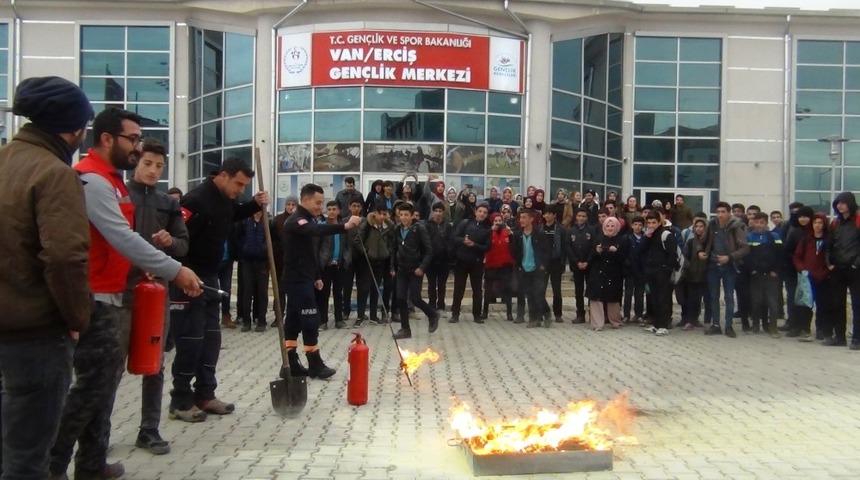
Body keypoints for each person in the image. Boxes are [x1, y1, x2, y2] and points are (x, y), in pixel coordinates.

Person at [50, 108, 203, 480]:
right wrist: (176, 270)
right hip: (96, 300)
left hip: (115, 295)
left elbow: (119, 243)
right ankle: (51, 465)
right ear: (106, 139)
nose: (136, 146)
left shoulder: (111, 180)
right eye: (132, 139)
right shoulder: (91, 181)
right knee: (90, 390)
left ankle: (91, 463)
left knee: (102, 390)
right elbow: (121, 237)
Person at [0, 76, 92, 480]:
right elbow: (64, 258)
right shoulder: (54, 174)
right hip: (34, 334)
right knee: (26, 458)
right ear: (73, 128)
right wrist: (77, 319)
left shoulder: (4, 160)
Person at [168, 158, 267, 421]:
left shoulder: (226, 199)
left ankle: (205, 395)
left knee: (211, 339)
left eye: (245, 186)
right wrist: (181, 273)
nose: (241, 190)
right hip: (187, 277)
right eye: (238, 184)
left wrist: (255, 205)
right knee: (191, 339)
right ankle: (180, 401)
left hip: (211, 277)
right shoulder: (194, 200)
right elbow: (176, 238)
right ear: (223, 175)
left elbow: (233, 214)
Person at [125, 139, 189, 455]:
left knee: (155, 360)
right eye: (147, 163)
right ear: (136, 162)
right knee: (107, 365)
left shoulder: (168, 204)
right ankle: (96, 433)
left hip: (157, 293)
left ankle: (149, 429)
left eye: (159, 166)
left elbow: (183, 245)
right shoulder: (117, 194)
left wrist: (170, 242)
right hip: (119, 291)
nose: (153, 170)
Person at [282, 184, 361, 378]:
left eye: (322, 203)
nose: (320, 207)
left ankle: (290, 363)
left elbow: (310, 253)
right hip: (296, 280)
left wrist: (316, 276)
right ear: (306, 199)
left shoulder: (308, 219)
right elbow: (316, 231)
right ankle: (314, 363)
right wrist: (345, 226)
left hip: (305, 278)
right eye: (318, 203)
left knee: (292, 321)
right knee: (310, 320)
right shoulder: (296, 221)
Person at [391, 202, 439, 339]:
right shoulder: (397, 229)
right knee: (400, 298)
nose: (404, 217)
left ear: (412, 216)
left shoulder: (419, 229)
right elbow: (393, 249)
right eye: (401, 215)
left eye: (407, 215)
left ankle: (432, 314)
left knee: (415, 298)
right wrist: (392, 267)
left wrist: (422, 267)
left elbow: (429, 251)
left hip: (415, 270)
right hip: (401, 269)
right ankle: (405, 329)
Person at [704, 202, 749, 338]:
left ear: (729, 213)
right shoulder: (711, 225)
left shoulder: (736, 227)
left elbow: (745, 248)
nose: (720, 215)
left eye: (723, 212)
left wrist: (729, 257)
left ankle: (729, 326)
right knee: (713, 296)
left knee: (729, 297)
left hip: (729, 266)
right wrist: (702, 251)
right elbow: (704, 241)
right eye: (718, 212)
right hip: (713, 265)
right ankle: (716, 324)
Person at [827, 191, 860, 349]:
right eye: (837, 203)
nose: (839, 206)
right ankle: (839, 337)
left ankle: (857, 338)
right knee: (837, 303)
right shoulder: (835, 223)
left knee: (857, 304)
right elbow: (829, 245)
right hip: (837, 269)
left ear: (850, 204)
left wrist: (855, 264)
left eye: (843, 202)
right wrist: (829, 263)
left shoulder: (858, 221)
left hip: (855, 269)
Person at [791, 213, 831, 341]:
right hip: (807, 277)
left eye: (820, 223)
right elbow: (797, 256)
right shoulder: (806, 239)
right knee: (805, 304)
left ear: (824, 224)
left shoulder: (828, 240)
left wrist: (827, 271)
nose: (817, 225)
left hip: (824, 277)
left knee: (822, 304)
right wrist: (802, 269)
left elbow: (831, 258)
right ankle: (804, 328)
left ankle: (821, 329)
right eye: (815, 223)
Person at [355, 202, 395, 325]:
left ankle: (373, 316)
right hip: (367, 261)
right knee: (363, 289)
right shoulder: (367, 224)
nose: (383, 216)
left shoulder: (388, 226)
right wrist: (366, 252)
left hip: (381, 261)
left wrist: (387, 253)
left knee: (375, 289)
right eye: (381, 214)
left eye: (385, 214)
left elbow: (391, 243)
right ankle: (360, 316)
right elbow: (357, 241)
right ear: (375, 213)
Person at [450, 203, 491, 324]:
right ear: (475, 212)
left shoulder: (487, 229)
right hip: (461, 261)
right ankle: (455, 314)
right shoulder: (465, 223)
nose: (482, 214)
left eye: (484, 212)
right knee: (459, 289)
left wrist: (474, 245)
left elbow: (487, 247)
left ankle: (477, 315)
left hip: (477, 263)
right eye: (480, 211)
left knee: (477, 290)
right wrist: (464, 240)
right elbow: (454, 237)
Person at [745, 212, 783, 337]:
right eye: (757, 222)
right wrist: (752, 270)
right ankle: (756, 325)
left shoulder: (774, 236)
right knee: (756, 301)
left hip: (772, 275)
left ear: (766, 223)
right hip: (756, 275)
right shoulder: (749, 237)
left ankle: (772, 327)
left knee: (772, 303)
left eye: (762, 222)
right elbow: (747, 256)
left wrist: (776, 270)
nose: (759, 225)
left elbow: (779, 255)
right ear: (753, 223)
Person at [511, 209, 550, 328]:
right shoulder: (517, 234)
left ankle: (546, 314)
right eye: (520, 218)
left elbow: (547, 251)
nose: (521, 220)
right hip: (524, 268)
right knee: (529, 294)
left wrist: (543, 264)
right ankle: (534, 319)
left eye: (524, 217)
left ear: (531, 219)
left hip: (537, 268)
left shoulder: (539, 233)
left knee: (538, 293)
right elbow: (514, 251)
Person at [587, 217, 627, 331]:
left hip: (614, 273)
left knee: (613, 298)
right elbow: (590, 256)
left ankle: (615, 321)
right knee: (596, 297)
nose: (610, 228)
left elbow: (624, 258)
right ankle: (597, 324)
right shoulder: (598, 238)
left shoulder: (621, 240)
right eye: (608, 226)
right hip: (598, 272)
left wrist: (616, 252)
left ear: (617, 227)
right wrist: (597, 252)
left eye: (612, 226)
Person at [317, 201, 350, 330]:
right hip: (326, 265)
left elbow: (347, 246)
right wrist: (320, 261)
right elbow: (318, 247)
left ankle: (339, 320)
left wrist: (346, 259)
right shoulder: (322, 227)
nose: (331, 211)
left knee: (338, 293)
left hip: (339, 265)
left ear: (339, 211)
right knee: (324, 294)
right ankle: (323, 321)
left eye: (334, 209)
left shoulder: (343, 227)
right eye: (329, 209)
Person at [641, 212, 676, 336]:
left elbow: (673, 255)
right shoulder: (649, 235)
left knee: (663, 298)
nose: (651, 225)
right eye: (649, 223)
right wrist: (646, 237)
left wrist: (666, 269)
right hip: (651, 272)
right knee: (654, 299)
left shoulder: (666, 235)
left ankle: (663, 325)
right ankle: (656, 324)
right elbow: (641, 250)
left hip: (663, 273)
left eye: (653, 222)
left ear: (659, 222)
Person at [779, 204, 812, 333]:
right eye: (800, 217)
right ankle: (793, 324)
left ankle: (805, 326)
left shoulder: (814, 231)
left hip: (810, 271)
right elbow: (786, 250)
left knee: (807, 300)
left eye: (806, 217)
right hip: (793, 270)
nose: (803, 219)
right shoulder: (794, 231)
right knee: (793, 297)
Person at [236, 211, 269, 332]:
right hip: (247, 262)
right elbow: (238, 238)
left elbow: (270, 240)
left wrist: (264, 249)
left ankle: (261, 321)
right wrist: (243, 249)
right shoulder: (245, 222)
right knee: (247, 292)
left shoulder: (267, 222)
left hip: (262, 262)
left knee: (262, 293)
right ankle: (246, 321)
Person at [566, 208, 596, 323]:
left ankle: (592, 314)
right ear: (576, 217)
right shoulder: (570, 231)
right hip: (576, 265)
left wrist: (587, 261)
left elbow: (594, 247)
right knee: (578, 291)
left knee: (590, 290)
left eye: (584, 216)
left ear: (587, 218)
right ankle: (580, 314)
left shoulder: (592, 230)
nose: (581, 218)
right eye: (579, 215)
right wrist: (577, 262)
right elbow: (568, 247)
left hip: (589, 265)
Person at [483, 213, 515, 321]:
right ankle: (485, 312)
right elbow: (483, 243)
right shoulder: (488, 232)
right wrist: (489, 231)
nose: (498, 223)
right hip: (491, 265)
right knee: (488, 290)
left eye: (499, 220)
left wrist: (511, 234)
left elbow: (514, 245)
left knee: (507, 290)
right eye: (495, 221)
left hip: (505, 265)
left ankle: (509, 313)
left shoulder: (508, 232)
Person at [679, 217, 710, 330]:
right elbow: (684, 256)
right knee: (691, 299)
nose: (698, 229)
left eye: (701, 226)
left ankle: (704, 321)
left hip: (706, 275)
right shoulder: (691, 241)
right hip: (692, 275)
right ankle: (689, 320)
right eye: (696, 226)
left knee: (705, 299)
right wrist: (689, 266)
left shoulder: (710, 242)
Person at [271, 195, 298, 325]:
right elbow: (272, 239)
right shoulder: (277, 220)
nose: (291, 207)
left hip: (294, 262)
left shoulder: (299, 220)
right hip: (279, 262)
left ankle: (293, 318)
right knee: (279, 291)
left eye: (293, 205)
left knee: (293, 291)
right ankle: (279, 317)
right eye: (288, 204)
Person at [540, 204, 567, 324]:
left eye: (549, 213)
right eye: (545, 213)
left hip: (556, 262)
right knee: (541, 289)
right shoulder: (540, 228)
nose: (547, 215)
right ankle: (541, 312)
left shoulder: (560, 229)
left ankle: (558, 314)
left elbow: (564, 247)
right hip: (543, 262)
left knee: (557, 290)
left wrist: (563, 263)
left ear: (554, 215)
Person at [425, 203, 452, 312]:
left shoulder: (448, 226)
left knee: (442, 284)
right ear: (433, 212)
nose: (438, 213)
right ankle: (431, 304)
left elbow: (451, 241)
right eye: (436, 211)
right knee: (431, 284)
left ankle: (441, 304)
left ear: (443, 212)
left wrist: (448, 252)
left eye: (440, 211)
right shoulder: (428, 225)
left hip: (444, 260)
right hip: (431, 260)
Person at [342, 199, 365, 323]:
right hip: (348, 258)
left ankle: (361, 314)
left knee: (362, 287)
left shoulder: (365, 221)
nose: (356, 208)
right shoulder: (345, 221)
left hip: (362, 258)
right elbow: (342, 241)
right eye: (353, 206)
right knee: (347, 287)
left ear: (361, 208)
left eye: (358, 206)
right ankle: (346, 311)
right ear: (349, 207)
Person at [623, 216, 647, 324]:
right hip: (630, 271)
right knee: (628, 294)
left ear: (643, 226)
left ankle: (638, 314)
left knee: (639, 294)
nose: (637, 227)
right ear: (632, 225)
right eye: (635, 224)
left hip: (641, 271)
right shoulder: (627, 238)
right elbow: (623, 254)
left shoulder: (645, 238)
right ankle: (626, 315)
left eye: (640, 225)